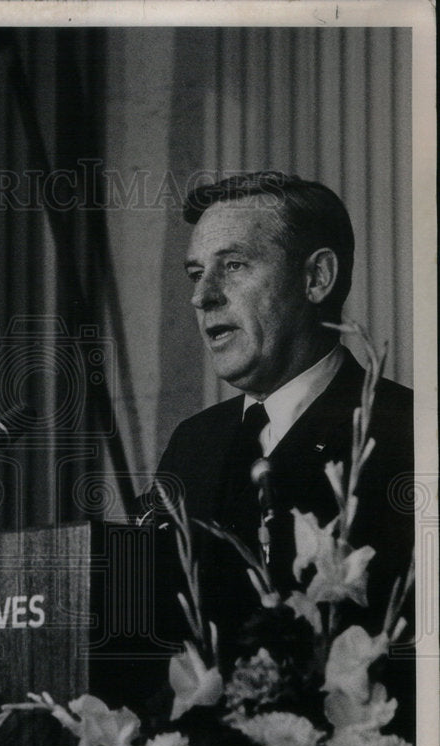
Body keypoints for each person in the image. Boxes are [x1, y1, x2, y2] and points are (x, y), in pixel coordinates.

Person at [141, 172, 414, 677]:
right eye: (196, 273)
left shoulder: (408, 434)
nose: (203, 297)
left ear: (317, 278)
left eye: (234, 266)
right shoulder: (193, 444)